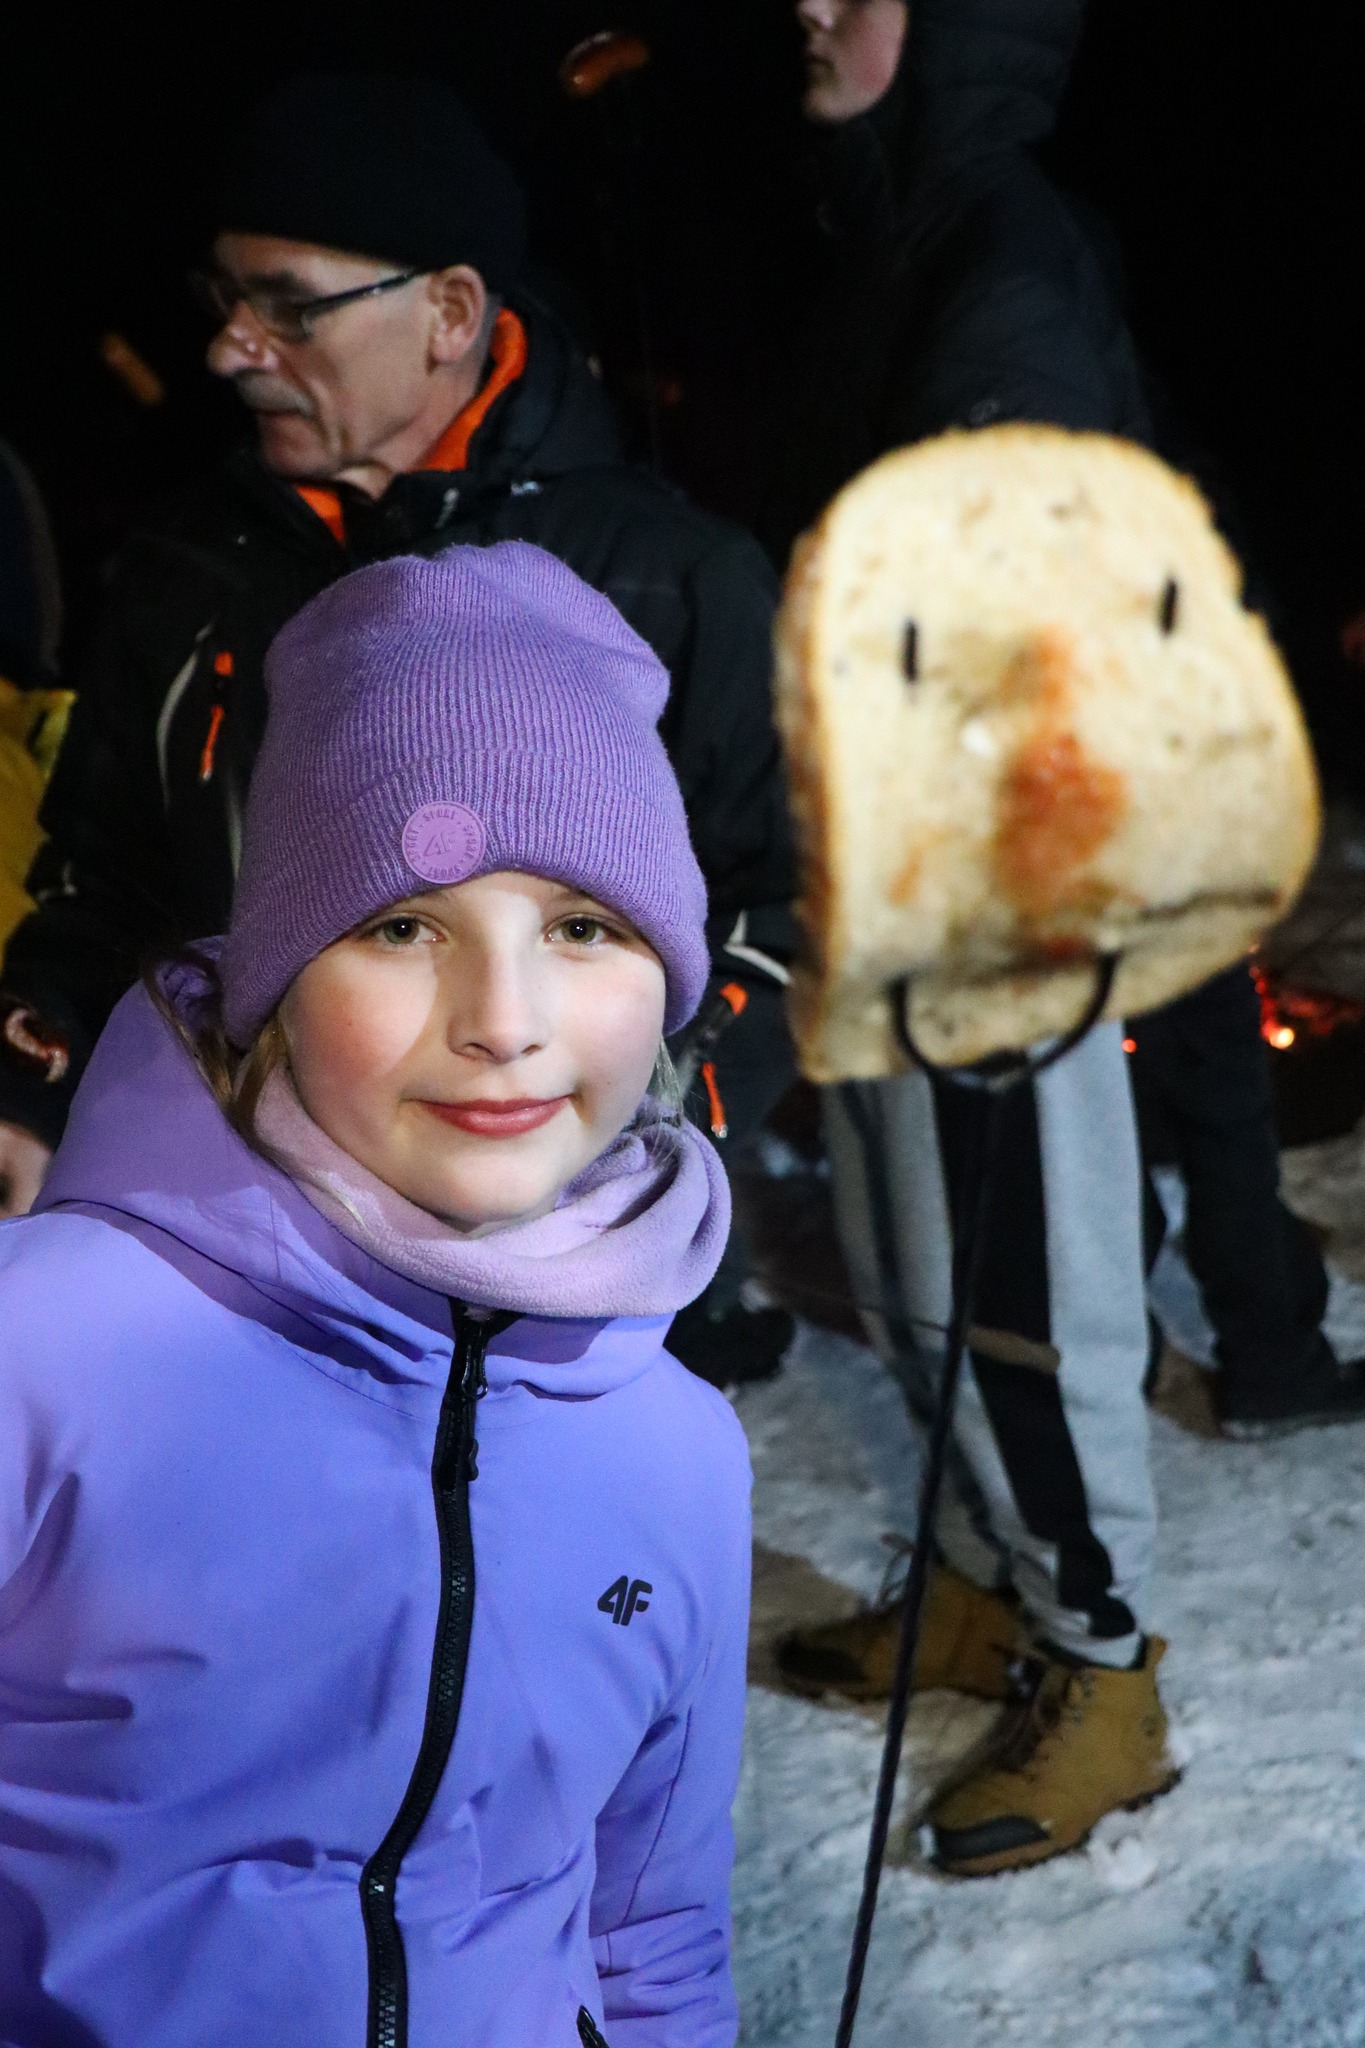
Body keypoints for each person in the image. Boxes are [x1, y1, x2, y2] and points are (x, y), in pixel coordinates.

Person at [0, 542, 750, 2048]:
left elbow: (651, 1925)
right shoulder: (45, 1349)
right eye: (404, 927)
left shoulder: (676, 1447)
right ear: (276, 975)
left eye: (583, 927)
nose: (505, 1025)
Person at [0, 71, 796, 1387]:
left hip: (547, 1298)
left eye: (290, 305)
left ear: (449, 312)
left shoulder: (673, 579)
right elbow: (105, 876)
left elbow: (792, 907)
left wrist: (607, 1133)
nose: (230, 348)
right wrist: (35, 1076)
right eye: (225, 300)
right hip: (230, 1275)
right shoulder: (181, 568)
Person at [769, 0, 1178, 1876]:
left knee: (1018, 1278)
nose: (808, 9)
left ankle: (1102, 1670)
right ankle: (973, 1582)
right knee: (900, 1254)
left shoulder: (1003, 242)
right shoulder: (889, 230)